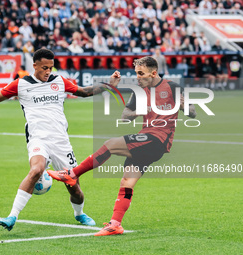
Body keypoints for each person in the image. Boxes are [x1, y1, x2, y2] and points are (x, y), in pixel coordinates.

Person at [0, 48, 121, 231]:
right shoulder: (20, 84)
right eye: (44, 68)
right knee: (36, 170)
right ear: (34, 65)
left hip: (60, 141)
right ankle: (12, 216)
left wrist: (109, 85)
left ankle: (79, 213)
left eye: (51, 68)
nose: (48, 71)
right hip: (38, 139)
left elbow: (84, 92)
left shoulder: (59, 81)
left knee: (74, 187)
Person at [48, 56, 197, 236]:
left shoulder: (172, 87)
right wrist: (139, 111)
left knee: (110, 145)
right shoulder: (139, 91)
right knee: (127, 181)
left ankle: (72, 174)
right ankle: (115, 224)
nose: (138, 78)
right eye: (136, 74)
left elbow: (193, 113)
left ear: (154, 73)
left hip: (157, 139)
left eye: (141, 74)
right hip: (145, 138)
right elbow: (125, 116)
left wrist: (183, 105)